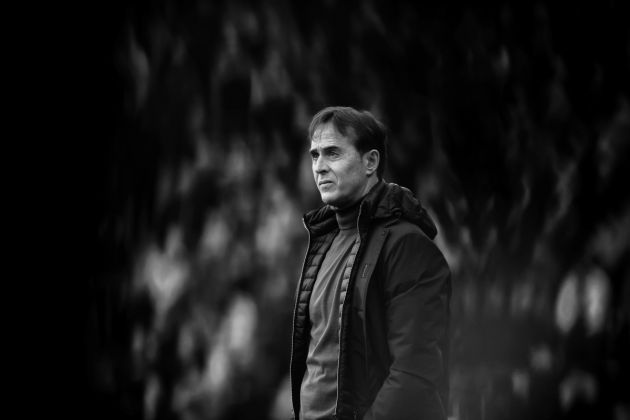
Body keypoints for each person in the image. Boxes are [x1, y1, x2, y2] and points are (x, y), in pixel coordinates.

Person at [289, 106, 451, 420]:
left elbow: (413, 373)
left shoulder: (407, 246)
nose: (319, 167)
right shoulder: (322, 242)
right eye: (315, 155)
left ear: (370, 162)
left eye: (333, 153)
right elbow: (318, 362)